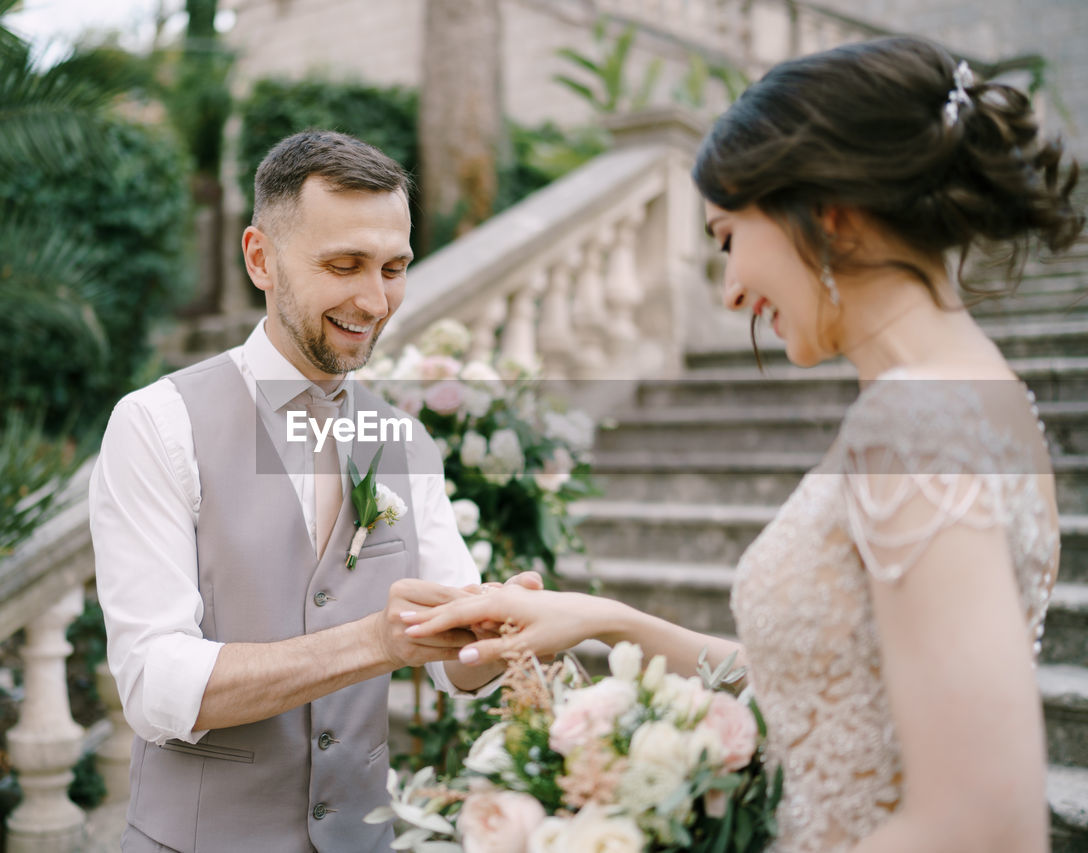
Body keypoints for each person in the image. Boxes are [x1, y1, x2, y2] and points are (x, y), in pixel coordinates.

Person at [404, 36, 1084, 853]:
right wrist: (601, 619)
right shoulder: (978, 399)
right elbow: (840, 692)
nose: (728, 290)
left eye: (727, 236)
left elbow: (981, 826)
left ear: (828, 210)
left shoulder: (918, 429)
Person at [90, 130, 535, 853]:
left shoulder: (406, 440)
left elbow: (457, 663)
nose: (374, 298)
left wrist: (497, 627)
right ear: (260, 259)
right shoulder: (156, 423)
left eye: (394, 267)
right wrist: (372, 641)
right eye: (344, 264)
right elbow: (154, 682)